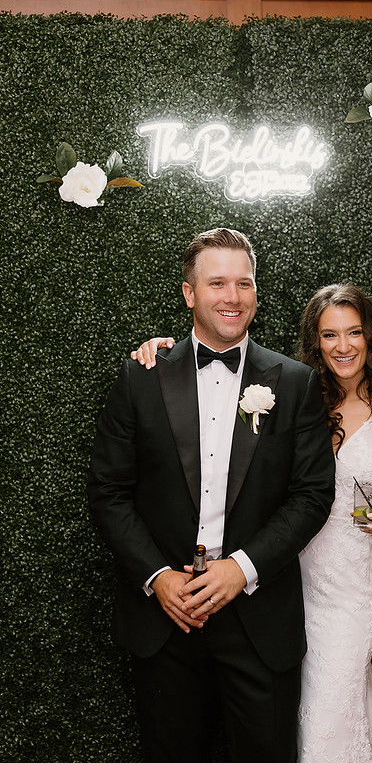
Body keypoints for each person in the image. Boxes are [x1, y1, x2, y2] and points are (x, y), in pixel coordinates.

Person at [132, 282, 372, 763]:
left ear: (371, 337)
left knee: (329, 711)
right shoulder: (294, 392)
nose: (343, 346)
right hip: (278, 582)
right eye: (329, 335)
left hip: (349, 589)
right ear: (315, 342)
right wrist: (163, 351)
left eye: (354, 332)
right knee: (282, 723)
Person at [87, 228, 335, 763]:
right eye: (217, 282)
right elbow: (108, 491)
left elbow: (313, 494)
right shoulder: (141, 375)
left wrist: (241, 568)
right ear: (189, 293)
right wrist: (158, 577)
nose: (232, 296)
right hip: (166, 622)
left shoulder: (294, 383)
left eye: (244, 283)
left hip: (259, 618)